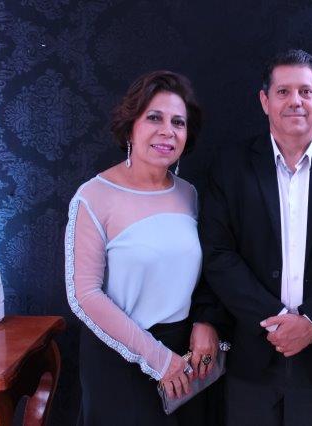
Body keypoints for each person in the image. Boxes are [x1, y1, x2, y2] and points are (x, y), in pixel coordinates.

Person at [197, 49, 312, 426]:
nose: (295, 101)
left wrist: (311, 322)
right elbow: (218, 254)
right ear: (265, 101)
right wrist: (277, 320)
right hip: (252, 356)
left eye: (305, 92)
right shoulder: (229, 167)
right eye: (283, 92)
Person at [65, 70, 221, 425]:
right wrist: (158, 360)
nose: (168, 131)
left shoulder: (189, 194)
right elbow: (84, 295)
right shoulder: (93, 196)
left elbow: (203, 274)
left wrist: (204, 322)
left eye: (178, 122)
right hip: (119, 358)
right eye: (154, 118)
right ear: (130, 127)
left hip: (183, 359)